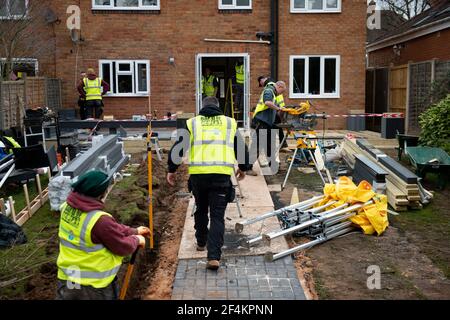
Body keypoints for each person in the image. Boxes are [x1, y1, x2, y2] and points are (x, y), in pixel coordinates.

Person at [166, 97, 252, 270]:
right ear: (218, 107)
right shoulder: (229, 123)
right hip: (220, 176)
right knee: (217, 216)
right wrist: (243, 167)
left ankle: (201, 242)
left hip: (199, 176)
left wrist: (172, 169)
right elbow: (240, 147)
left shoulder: (193, 123)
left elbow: (178, 148)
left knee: (200, 208)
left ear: (202, 107)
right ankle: (213, 257)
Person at [56, 170, 150, 300]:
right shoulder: (99, 219)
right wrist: (136, 239)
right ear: (101, 193)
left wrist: (134, 231)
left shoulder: (66, 207)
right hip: (92, 286)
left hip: (69, 277)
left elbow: (110, 229)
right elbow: (121, 247)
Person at [252, 80, 287, 167]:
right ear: (279, 87)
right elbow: (267, 102)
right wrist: (278, 109)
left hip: (265, 123)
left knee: (269, 145)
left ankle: (273, 165)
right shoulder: (269, 90)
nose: (280, 94)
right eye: (281, 92)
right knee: (257, 145)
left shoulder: (272, 92)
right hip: (261, 122)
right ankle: (247, 167)